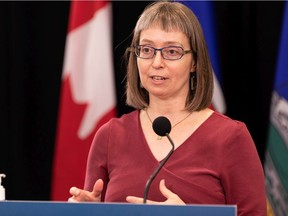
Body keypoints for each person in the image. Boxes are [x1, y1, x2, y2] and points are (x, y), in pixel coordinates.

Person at [68, 1, 267, 215]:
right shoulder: (109, 136)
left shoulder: (231, 138)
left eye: (172, 51)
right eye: (146, 49)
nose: (156, 62)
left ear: (195, 63)